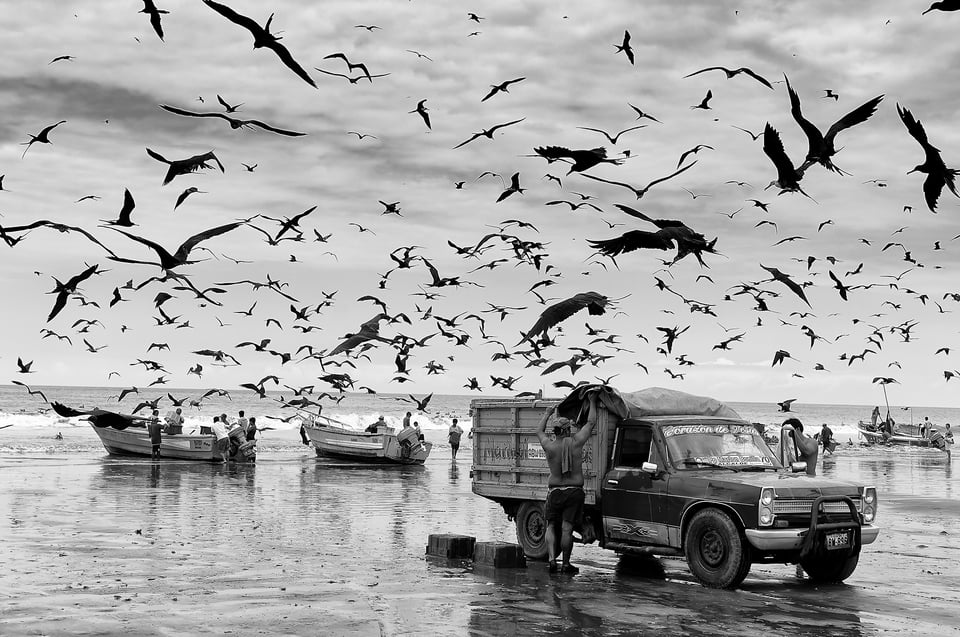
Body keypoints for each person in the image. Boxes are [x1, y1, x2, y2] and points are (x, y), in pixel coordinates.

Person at [535, 394, 598, 575]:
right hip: (574, 492)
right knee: (567, 529)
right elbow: (591, 423)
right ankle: (566, 564)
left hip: (554, 492)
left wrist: (547, 414)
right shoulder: (576, 442)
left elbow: (538, 432)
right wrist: (592, 402)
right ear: (564, 431)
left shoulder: (549, 445)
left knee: (550, 526)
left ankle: (552, 560)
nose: (570, 430)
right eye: (568, 428)